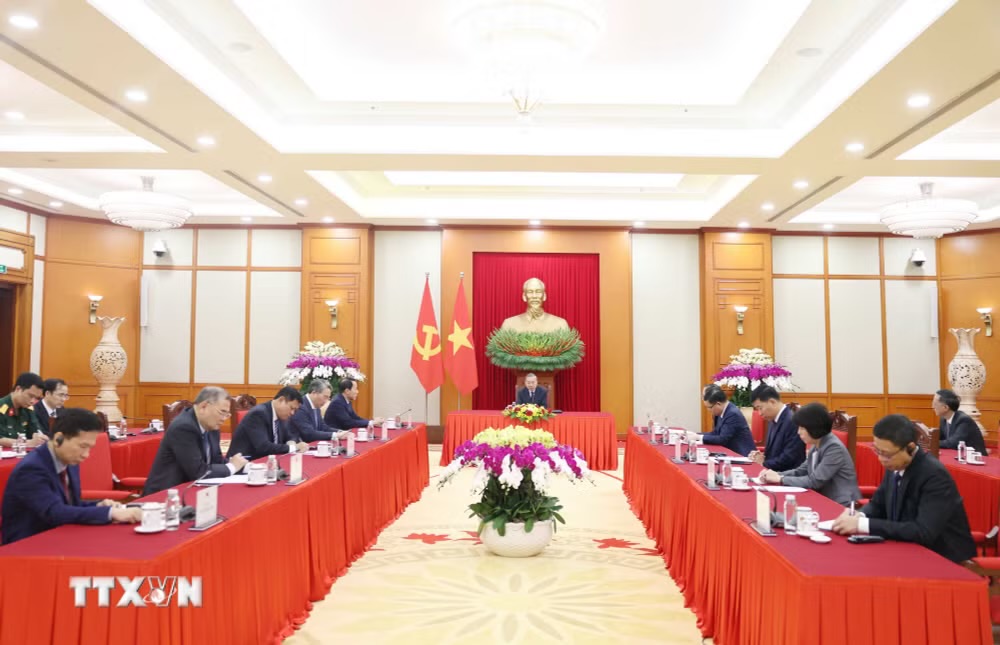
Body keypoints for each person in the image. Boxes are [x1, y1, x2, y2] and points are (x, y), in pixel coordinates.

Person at [832, 414, 976, 563]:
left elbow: (923, 532)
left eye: (887, 454)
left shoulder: (934, 476)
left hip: (942, 557)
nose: (881, 459)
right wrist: (859, 516)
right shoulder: (895, 464)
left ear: (910, 448)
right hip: (905, 548)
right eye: (877, 451)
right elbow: (878, 504)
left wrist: (862, 525)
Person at [1, 408, 142, 544]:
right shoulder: (31, 469)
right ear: (59, 439)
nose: (86, 455)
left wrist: (98, 505)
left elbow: (72, 505)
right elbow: (54, 512)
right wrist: (110, 513)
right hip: (28, 545)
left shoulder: (69, 461)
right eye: (82, 446)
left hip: (61, 535)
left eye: (90, 448)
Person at [143, 387, 248, 496]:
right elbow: (198, 471)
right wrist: (232, 467)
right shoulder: (183, 427)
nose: (224, 419)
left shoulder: (211, 425)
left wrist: (244, 467)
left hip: (195, 490)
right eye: (222, 412)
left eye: (227, 414)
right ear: (203, 406)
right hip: (165, 495)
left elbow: (216, 461)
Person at [759, 402, 861, 505]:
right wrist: (775, 474)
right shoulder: (817, 443)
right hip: (821, 498)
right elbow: (801, 471)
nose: (798, 432)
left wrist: (781, 479)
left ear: (814, 427)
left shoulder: (834, 448)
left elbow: (815, 481)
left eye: (802, 428)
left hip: (840, 504)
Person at [228, 387, 308, 460]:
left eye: (295, 410)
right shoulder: (258, 414)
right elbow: (263, 447)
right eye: (291, 408)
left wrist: (291, 442)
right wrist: (293, 447)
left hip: (267, 462)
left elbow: (291, 435)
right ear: (281, 400)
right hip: (244, 463)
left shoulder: (281, 415)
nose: (292, 413)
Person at [748, 386, 804, 472]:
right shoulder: (772, 419)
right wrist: (760, 456)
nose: (759, 413)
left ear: (772, 402)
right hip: (773, 472)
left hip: (788, 474)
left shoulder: (792, 420)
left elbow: (790, 457)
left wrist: (763, 463)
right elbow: (774, 452)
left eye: (760, 408)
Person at [695, 387, 755, 456]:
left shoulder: (732, 414)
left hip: (741, 455)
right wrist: (695, 435)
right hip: (728, 453)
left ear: (718, 404)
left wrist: (698, 437)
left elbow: (722, 439)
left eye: (709, 407)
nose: (709, 410)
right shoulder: (720, 412)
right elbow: (715, 433)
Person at [290, 379, 351, 443]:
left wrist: (340, 432)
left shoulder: (316, 405)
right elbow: (309, 434)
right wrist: (335, 435)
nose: (326, 401)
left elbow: (323, 427)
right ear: (314, 393)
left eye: (328, 398)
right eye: (325, 397)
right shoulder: (301, 406)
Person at [500, 278, 570, 333]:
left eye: (538, 292)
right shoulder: (509, 324)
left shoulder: (560, 324)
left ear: (544, 296)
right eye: (530, 292)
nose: (534, 296)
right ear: (524, 296)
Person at [0, 372, 47, 449]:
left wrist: (40, 437)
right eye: (30, 396)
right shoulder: (1, 407)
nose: (33, 401)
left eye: (37, 398)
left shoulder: (28, 409)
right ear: (18, 389)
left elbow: (35, 431)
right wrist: (27, 443)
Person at [934, 388, 986, 455]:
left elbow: (953, 443)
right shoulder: (943, 419)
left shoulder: (964, 420)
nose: (932, 406)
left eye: (935, 404)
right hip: (958, 455)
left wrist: (932, 443)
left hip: (975, 457)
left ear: (945, 407)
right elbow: (939, 438)